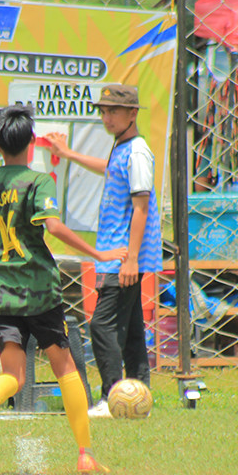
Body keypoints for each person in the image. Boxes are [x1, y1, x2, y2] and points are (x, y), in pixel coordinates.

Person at [0, 104, 126, 474]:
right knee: (64, 366)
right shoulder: (38, 182)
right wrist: (98, 252)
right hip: (38, 292)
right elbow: (52, 226)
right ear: (31, 143)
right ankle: (85, 454)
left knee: (14, 377)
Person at [46, 84, 163, 414]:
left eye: (113, 111)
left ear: (132, 114)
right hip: (118, 254)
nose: (106, 117)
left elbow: (141, 207)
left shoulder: (137, 151)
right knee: (131, 329)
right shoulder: (122, 148)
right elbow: (110, 169)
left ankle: (113, 396)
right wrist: (69, 155)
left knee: (102, 325)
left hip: (122, 256)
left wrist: (132, 258)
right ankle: (140, 392)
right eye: (103, 111)